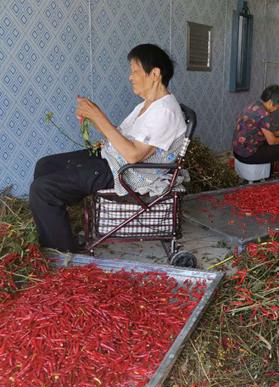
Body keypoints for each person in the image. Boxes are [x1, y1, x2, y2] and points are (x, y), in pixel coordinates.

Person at [29, 43, 186, 253]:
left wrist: (98, 117)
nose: (130, 77)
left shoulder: (165, 111)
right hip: (112, 159)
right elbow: (120, 136)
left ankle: (64, 255)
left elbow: (132, 155)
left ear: (155, 74)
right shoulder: (147, 105)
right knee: (45, 165)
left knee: (43, 190)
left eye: (135, 71)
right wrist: (94, 115)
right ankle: (60, 231)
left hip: (126, 173)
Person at [233, 85, 279, 178]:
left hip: (237, 151)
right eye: (278, 106)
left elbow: (260, 132)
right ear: (271, 102)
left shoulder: (254, 105)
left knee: (278, 141)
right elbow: (272, 141)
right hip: (247, 155)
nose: (277, 109)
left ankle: (269, 173)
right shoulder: (264, 114)